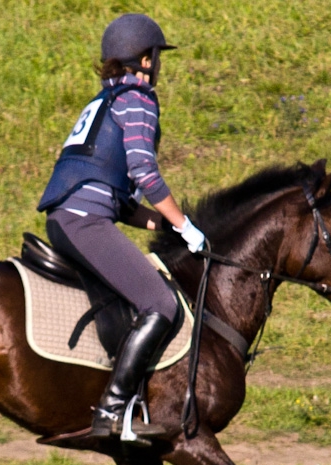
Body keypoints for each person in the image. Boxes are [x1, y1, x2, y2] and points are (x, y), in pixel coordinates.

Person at [37, 13, 206, 442]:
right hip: (84, 222)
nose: (159, 64)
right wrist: (184, 224)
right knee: (161, 303)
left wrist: (162, 224)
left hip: (66, 218)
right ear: (144, 60)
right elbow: (145, 174)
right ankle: (111, 410)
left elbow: (115, 193)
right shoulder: (139, 98)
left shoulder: (104, 100)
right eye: (156, 55)